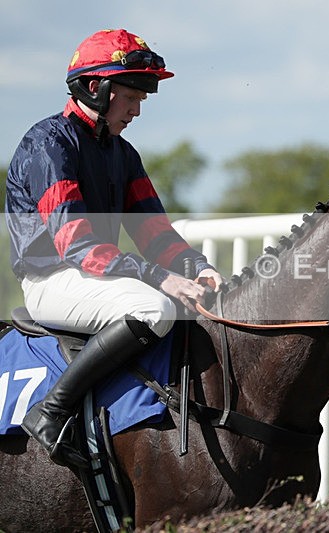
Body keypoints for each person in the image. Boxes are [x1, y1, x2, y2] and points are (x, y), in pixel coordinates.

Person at [4, 29, 223, 469]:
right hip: (53, 279)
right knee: (155, 309)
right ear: (95, 88)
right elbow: (77, 243)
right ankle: (51, 413)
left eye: (142, 98)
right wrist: (162, 277)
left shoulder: (123, 153)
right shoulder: (49, 143)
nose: (137, 110)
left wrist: (196, 266)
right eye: (131, 97)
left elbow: (155, 233)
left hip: (94, 276)